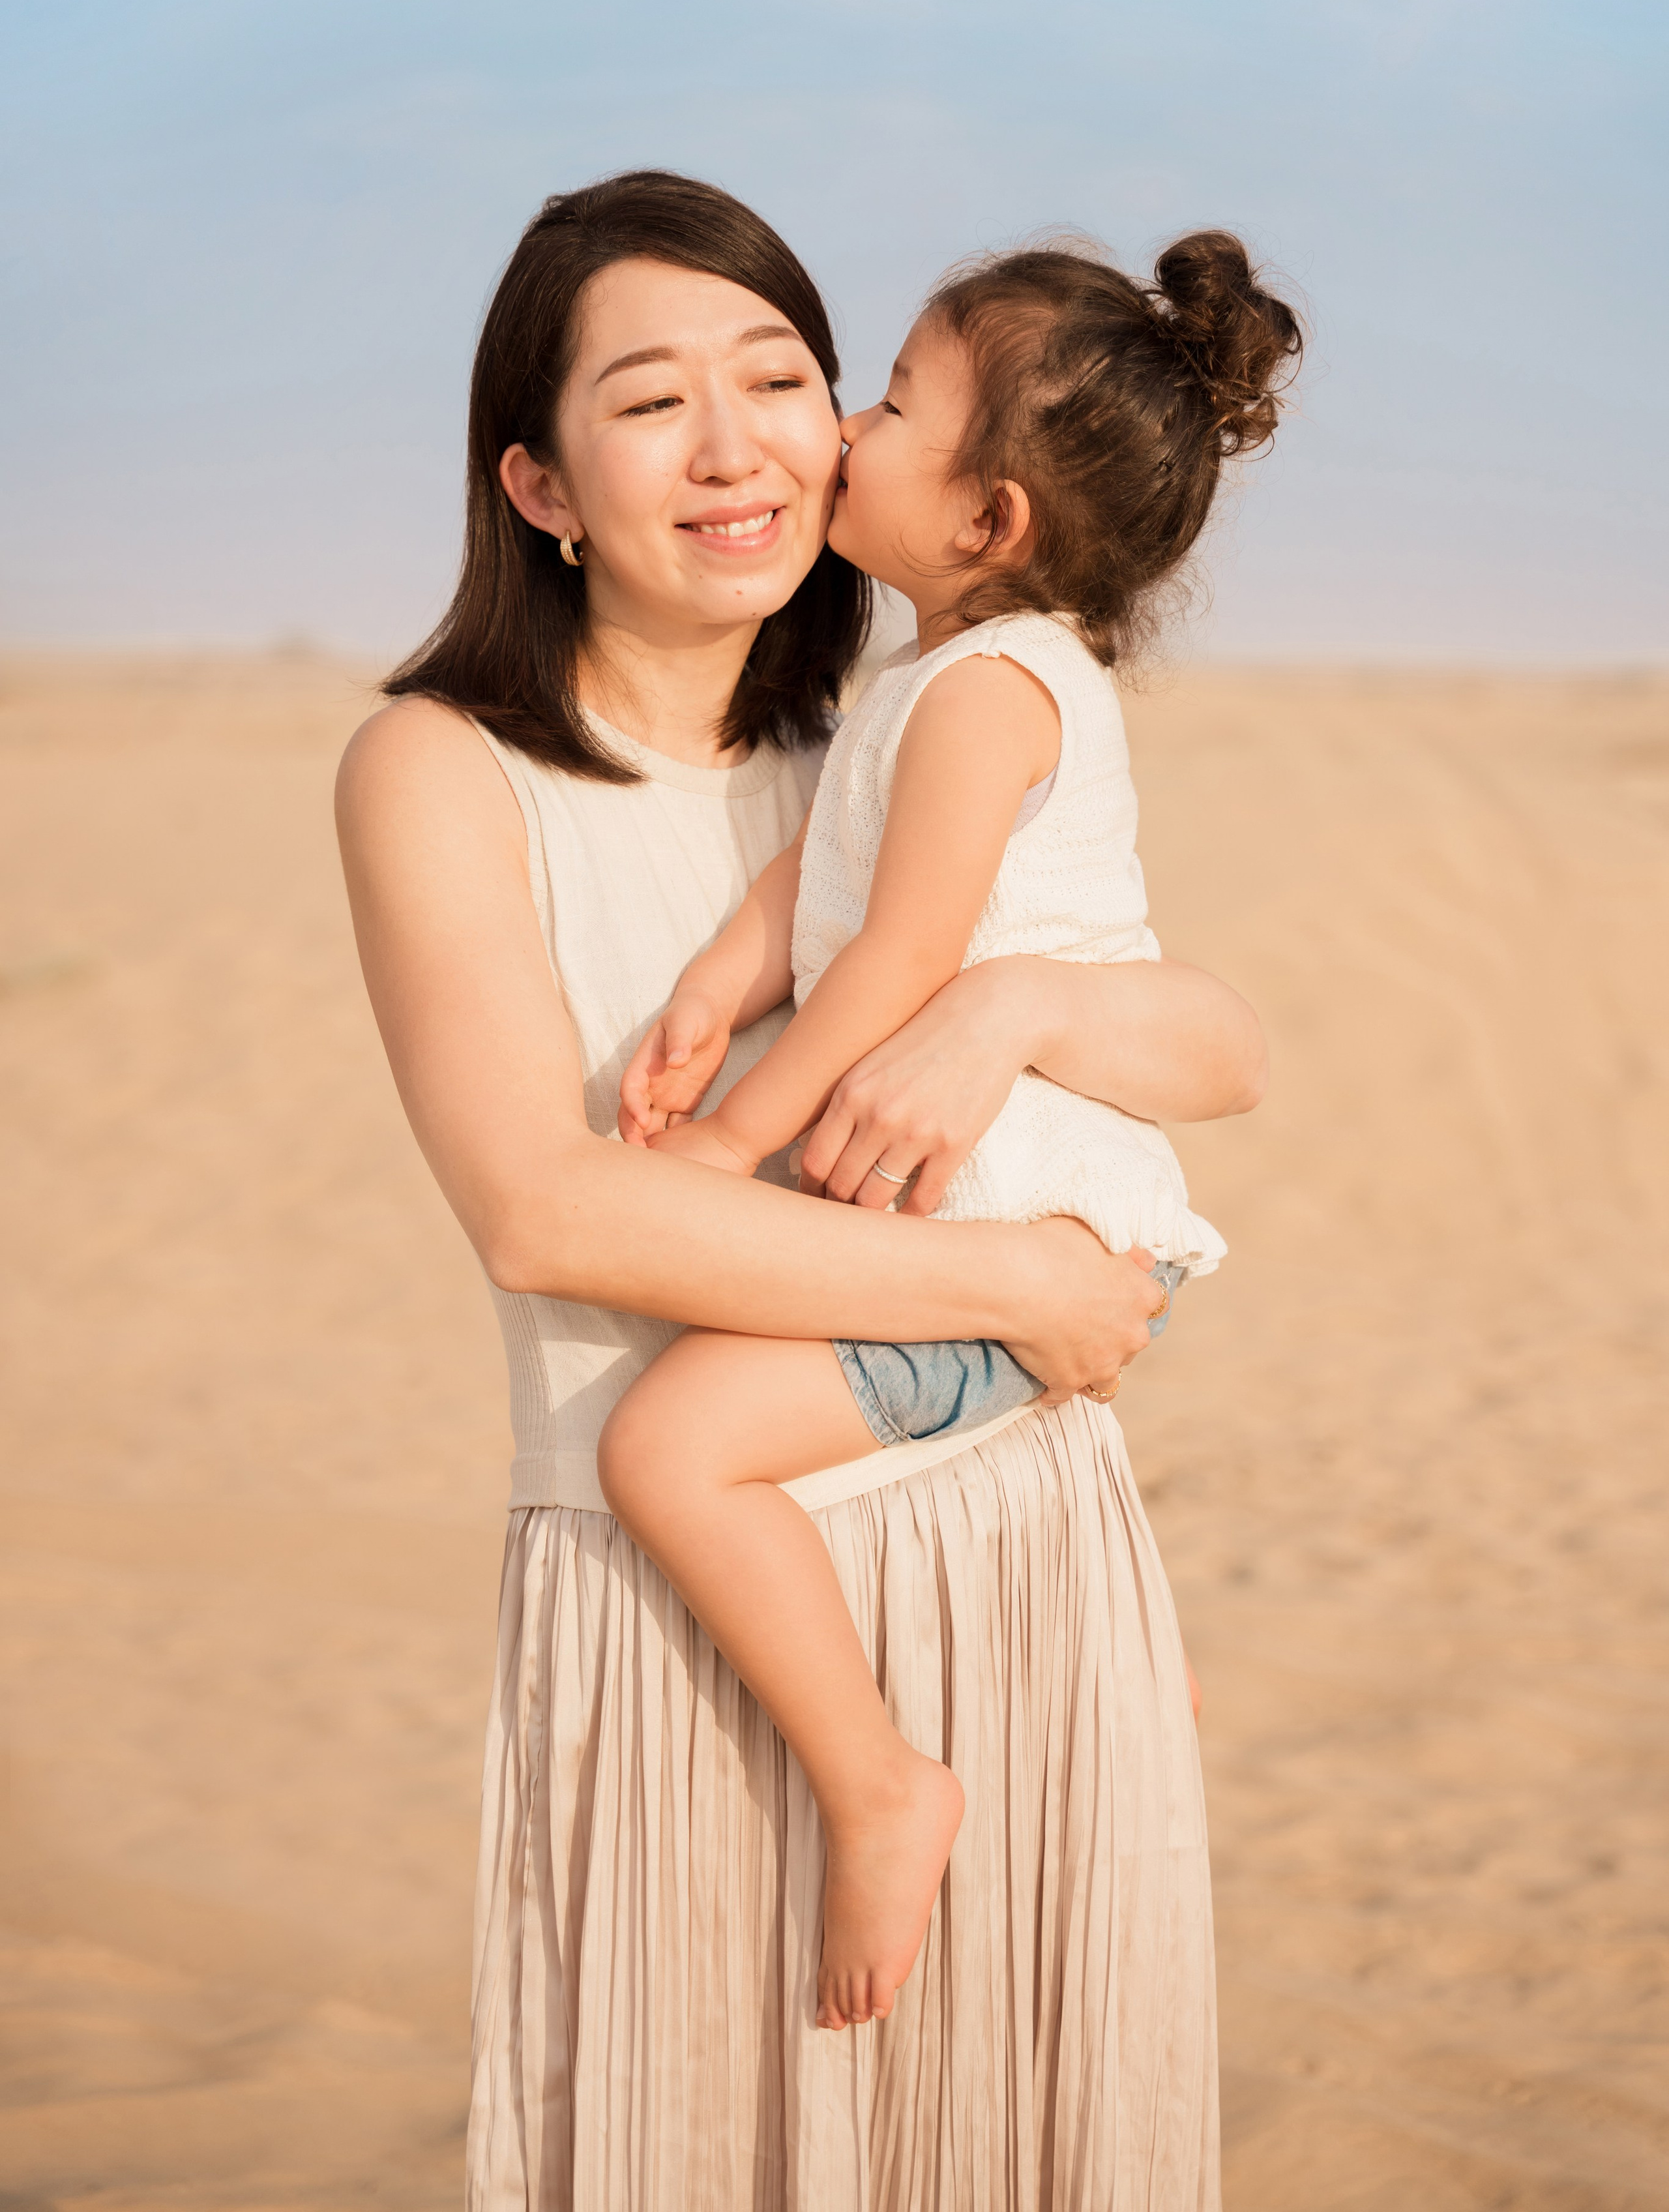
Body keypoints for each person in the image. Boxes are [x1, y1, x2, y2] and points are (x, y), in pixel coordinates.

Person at [335, 170, 1269, 2210]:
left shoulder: (883, 741)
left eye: (787, 374)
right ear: (543, 482)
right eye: (654, 399)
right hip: (684, 1594)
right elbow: (552, 1216)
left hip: (1015, 1541)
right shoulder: (442, 771)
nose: (749, 440)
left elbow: (1213, 1048)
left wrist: (1008, 1004)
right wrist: (1018, 1281)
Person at [598, 229, 1299, 2040]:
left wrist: (738, 1128)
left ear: (986, 518)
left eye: (890, 401)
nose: (838, 423)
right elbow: (835, 878)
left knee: (672, 1449)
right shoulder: (936, 685)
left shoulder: (993, 693)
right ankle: (1125, 1677)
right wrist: (720, 974)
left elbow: (910, 948)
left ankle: (881, 1784)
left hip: (1017, 1229)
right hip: (984, 1226)